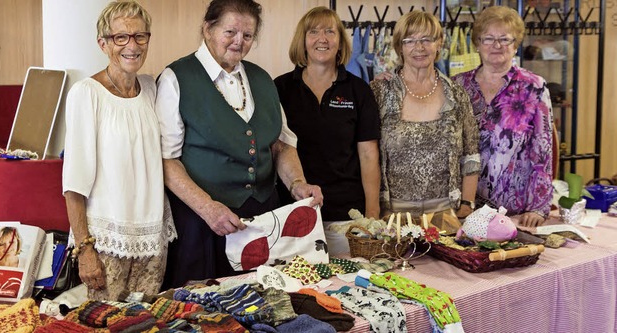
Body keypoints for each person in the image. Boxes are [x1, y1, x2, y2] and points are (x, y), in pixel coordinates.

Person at [155, 0, 323, 288]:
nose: (239, 42)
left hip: (262, 222)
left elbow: (280, 145)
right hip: (203, 225)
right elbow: (166, 161)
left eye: (247, 36)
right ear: (208, 28)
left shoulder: (262, 79)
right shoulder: (177, 78)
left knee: (264, 306)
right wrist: (208, 208)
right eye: (230, 32)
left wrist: (297, 183)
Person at [62, 1, 176, 301]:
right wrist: (84, 250)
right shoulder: (86, 94)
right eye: (120, 37)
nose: (132, 46)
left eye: (140, 36)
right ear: (103, 43)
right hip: (106, 243)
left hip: (152, 238)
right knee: (103, 323)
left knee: (145, 322)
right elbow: (74, 183)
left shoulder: (151, 87)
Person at [370, 11, 480, 232]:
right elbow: (366, 155)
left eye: (426, 39)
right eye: (409, 40)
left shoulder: (456, 94)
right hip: (393, 216)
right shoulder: (379, 92)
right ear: (399, 47)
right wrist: (374, 210)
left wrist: (467, 204)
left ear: (439, 44)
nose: (418, 47)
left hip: (445, 215)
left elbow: (471, 153)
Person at [274, 7, 380, 221]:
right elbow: (274, 150)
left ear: (340, 41)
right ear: (302, 40)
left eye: (330, 32)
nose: (322, 39)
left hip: (347, 214)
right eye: (313, 31)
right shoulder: (280, 88)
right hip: (293, 211)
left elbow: (368, 156)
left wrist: (371, 215)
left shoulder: (359, 90)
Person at [452, 6, 553, 228]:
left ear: (516, 45)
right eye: (488, 38)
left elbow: (542, 148)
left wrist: (539, 206)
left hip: (514, 211)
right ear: (477, 44)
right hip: (462, 208)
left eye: (504, 39)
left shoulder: (534, 86)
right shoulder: (457, 85)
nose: (496, 45)